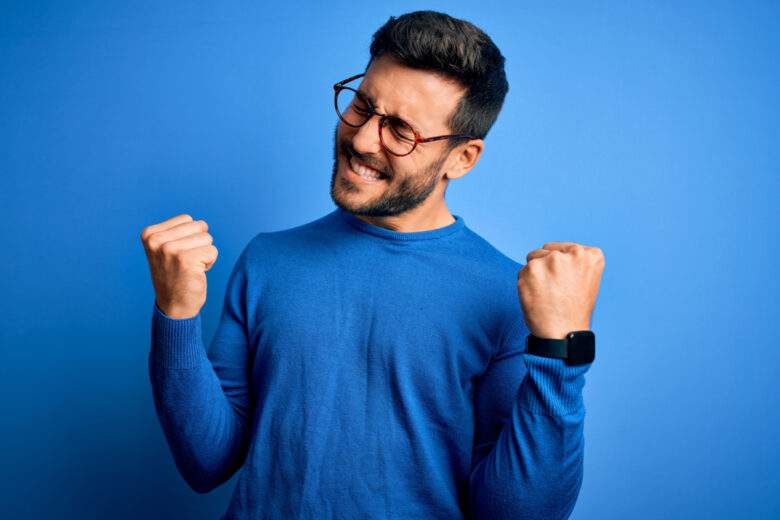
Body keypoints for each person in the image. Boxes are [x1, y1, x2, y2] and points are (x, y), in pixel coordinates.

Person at [140, 10, 604, 520]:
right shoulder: (268, 260)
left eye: (401, 131)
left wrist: (561, 352)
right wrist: (176, 313)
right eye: (362, 106)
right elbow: (206, 462)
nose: (362, 140)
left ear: (462, 158)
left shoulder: (506, 298)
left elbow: (517, 514)